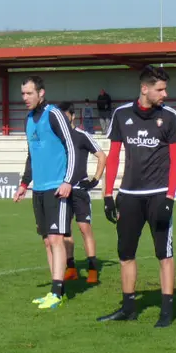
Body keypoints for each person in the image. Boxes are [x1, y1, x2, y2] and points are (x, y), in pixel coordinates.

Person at [98, 66, 176, 328]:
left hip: (158, 196)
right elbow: (114, 157)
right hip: (129, 197)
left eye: (165, 89)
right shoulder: (121, 114)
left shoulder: (170, 117)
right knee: (125, 254)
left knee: (164, 254)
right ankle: (128, 309)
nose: (165, 94)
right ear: (144, 89)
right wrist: (108, 195)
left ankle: (167, 311)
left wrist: (170, 198)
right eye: (160, 89)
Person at [12, 76, 76, 310]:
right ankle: (57, 290)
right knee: (48, 242)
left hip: (57, 187)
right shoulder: (29, 119)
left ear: (41, 93)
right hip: (38, 189)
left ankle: (56, 293)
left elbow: (71, 147)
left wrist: (68, 181)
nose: (25, 98)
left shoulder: (54, 114)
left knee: (57, 239)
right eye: (23, 93)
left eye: (29, 93)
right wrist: (24, 184)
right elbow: (32, 155)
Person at [57, 102, 107, 284]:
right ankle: (71, 269)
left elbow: (102, 156)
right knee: (65, 232)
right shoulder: (57, 137)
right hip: (62, 190)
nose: (63, 120)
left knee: (85, 229)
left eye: (65, 116)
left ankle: (92, 270)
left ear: (72, 116)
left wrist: (95, 180)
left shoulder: (82, 136)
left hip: (79, 190)